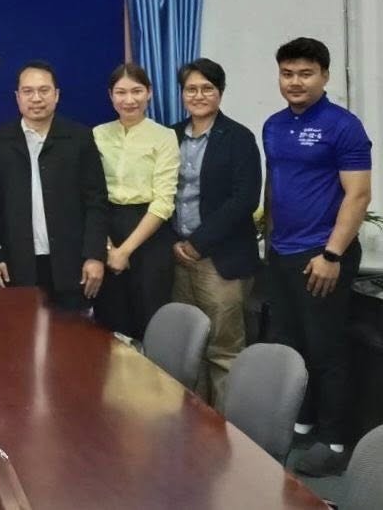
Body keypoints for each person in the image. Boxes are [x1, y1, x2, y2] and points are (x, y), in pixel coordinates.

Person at [263, 38, 371, 477]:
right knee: (291, 345)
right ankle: (304, 422)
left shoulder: (343, 126)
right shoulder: (273, 125)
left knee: (327, 349)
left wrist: (332, 254)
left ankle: (335, 440)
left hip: (323, 254)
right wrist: (268, 241)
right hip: (281, 252)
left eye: (305, 73)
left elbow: (358, 195)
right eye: (287, 73)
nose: (295, 82)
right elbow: (275, 185)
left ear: (324, 76)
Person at [168, 59, 262, 408]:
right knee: (186, 348)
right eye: (191, 89)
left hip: (220, 259)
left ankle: (228, 430)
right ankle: (193, 425)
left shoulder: (238, 138)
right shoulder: (170, 136)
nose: (198, 95)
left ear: (220, 92)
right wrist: (177, 243)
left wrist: (199, 243)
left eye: (207, 88)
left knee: (223, 351)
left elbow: (244, 199)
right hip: (178, 257)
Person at [0, 61, 108, 310]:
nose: (36, 98)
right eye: (28, 91)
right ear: (17, 97)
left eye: (44, 90)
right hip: (18, 266)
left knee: (72, 331)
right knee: (21, 330)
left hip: (72, 265)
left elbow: (96, 201)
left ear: (57, 95)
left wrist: (95, 255)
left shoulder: (79, 138)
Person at [92, 63, 180, 339]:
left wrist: (124, 251)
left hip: (149, 233)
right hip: (105, 228)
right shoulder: (97, 135)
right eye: (121, 92)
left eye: (137, 91)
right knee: (110, 322)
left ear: (149, 93)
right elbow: (90, 194)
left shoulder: (164, 137)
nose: (129, 100)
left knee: (150, 319)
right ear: (110, 95)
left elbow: (164, 201)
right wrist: (109, 247)